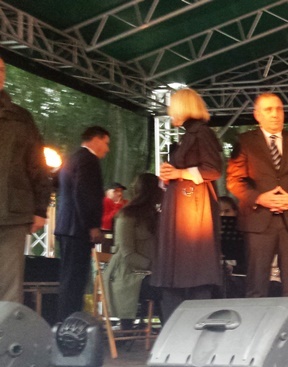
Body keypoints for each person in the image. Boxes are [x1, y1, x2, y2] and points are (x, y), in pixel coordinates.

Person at [151, 88, 224, 322]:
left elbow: (213, 169)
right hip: (183, 205)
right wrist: (169, 175)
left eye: (173, 107)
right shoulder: (189, 134)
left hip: (193, 206)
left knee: (193, 267)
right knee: (179, 268)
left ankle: (190, 322)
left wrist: (180, 173)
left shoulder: (201, 132)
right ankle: (176, 322)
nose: (170, 112)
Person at [227, 93, 288, 300]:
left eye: (279, 109)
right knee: (257, 285)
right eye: (268, 110)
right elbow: (234, 180)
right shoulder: (245, 141)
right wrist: (258, 198)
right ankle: (257, 322)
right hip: (258, 220)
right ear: (257, 115)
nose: (275, 114)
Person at [0, 56, 52, 304]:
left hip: (14, 213)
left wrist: (40, 209)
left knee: (10, 289)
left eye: (1, 70)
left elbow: (37, 164)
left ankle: (7, 330)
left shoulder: (22, 118)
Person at [55, 126, 111, 322]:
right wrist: (92, 225)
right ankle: (69, 324)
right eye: (106, 143)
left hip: (67, 226)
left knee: (69, 280)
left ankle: (64, 322)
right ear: (96, 139)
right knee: (75, 281)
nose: (107, 149)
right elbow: (85, 194)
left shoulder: (72, 158)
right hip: (77, 228)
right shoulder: (88, 160)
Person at [103, 173, 163, 329]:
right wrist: (154, 267)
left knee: (171, 285)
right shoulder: (126, 216)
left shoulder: (155, 216)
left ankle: (169, 329)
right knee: (165, 288)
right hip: (128, 275)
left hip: (149, 273)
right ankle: (169, 330)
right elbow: (127, 253)